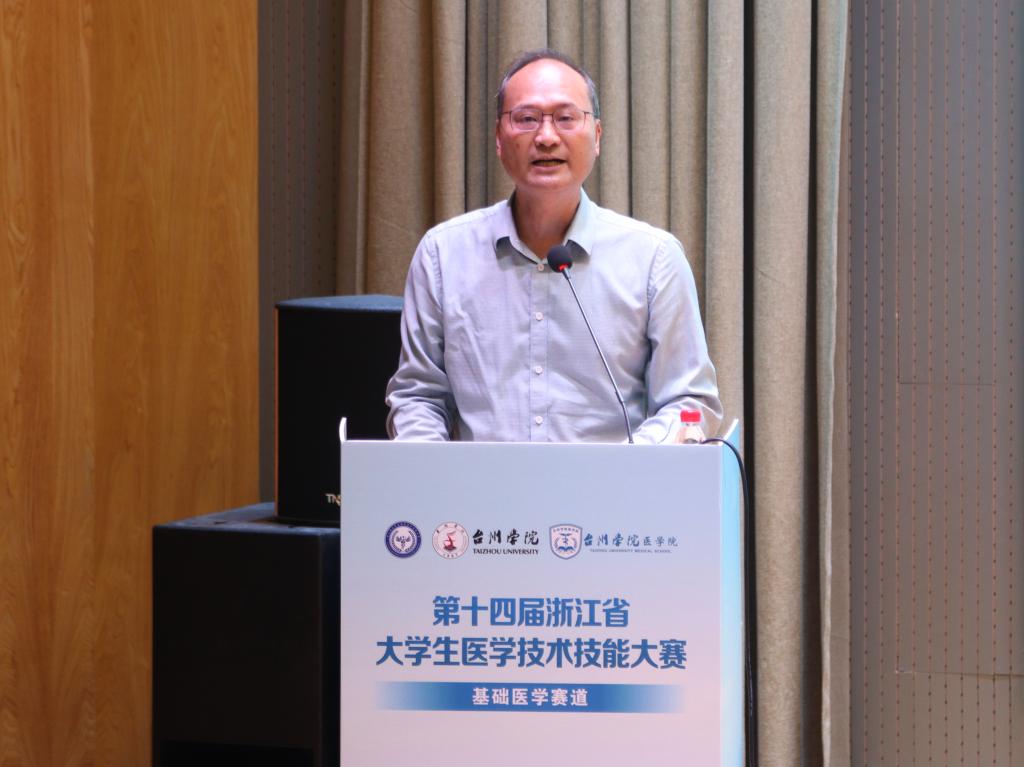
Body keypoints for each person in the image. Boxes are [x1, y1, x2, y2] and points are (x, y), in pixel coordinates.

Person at [386, 48, 721, 443]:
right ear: (499, 138)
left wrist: (627, 465)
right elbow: (418, 397)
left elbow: (688, 402)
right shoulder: (442, 256)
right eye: (526, 119)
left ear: (596, 137)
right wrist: (431, 469)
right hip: (479, 484)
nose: (546, 137)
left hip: (612, 483)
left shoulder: (654, 259)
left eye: (566, 118)